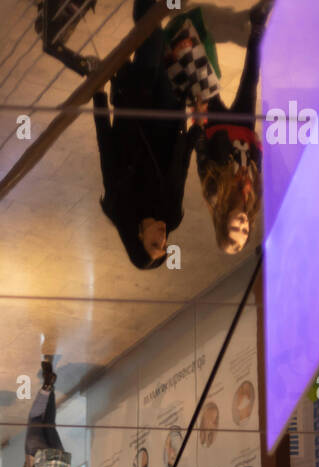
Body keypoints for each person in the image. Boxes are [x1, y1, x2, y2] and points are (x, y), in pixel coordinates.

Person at [92, 0, 196, 269]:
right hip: (168, 113)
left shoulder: (120, 203)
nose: (163, 240)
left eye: (154, 245)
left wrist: (99, 95)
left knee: (151, 37)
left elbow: (107, 148)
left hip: (136, 104)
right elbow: (180, 167)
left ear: (138, 238)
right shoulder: (171, 215)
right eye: (165, 247)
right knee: (159, 43)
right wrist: (196, 132)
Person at [187, 0, 274, 254]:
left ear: (223, 225)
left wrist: (199, 124)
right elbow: (257, 166)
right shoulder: (252, 200)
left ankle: (188, 36)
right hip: (245, 130)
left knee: (202, 79)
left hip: (217, 128)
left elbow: (202, 156)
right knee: (250, 79)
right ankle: (258, 24)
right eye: (245, 232)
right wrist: (258, 147)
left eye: (235, 229)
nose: (242, 226)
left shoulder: (214, 193)